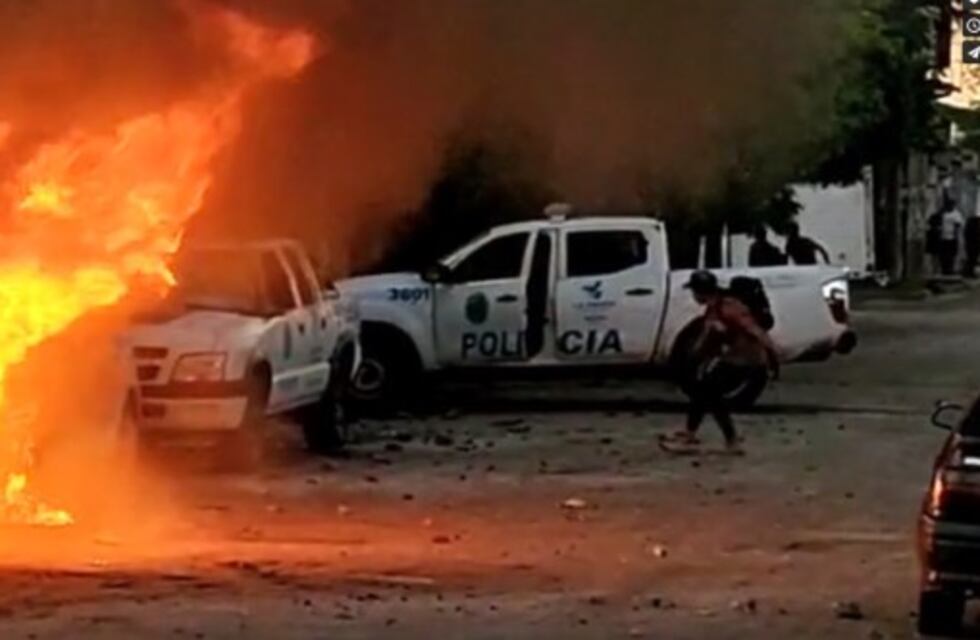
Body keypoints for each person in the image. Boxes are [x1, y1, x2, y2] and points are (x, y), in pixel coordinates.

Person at [665, 270, 779, 455]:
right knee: (703, 392)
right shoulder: (714, 308)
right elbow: (707, 338)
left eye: (694, 291)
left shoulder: (729, 307)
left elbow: (756, 331)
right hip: (733, 358)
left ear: (701, 292)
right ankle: (691, 434)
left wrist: (773, 358)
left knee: (710, 394)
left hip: (746, 361)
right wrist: (696, 359)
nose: (693, 296)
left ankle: (729, 441)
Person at [938, 197, 964, 276]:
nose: (950, 206)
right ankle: (944, 269)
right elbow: (938, 221)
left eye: (952, 205)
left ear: (953, 205)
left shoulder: (956, 214)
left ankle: (950, 269)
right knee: (943, 255)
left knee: (951, 254)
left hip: (952, 237)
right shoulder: (943, 213)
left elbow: (957, 225)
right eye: (948, 205)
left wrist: (956, 236)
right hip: (943, 237)